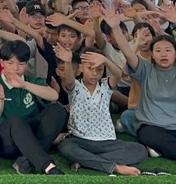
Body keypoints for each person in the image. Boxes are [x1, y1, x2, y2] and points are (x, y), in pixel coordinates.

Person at [105, 6, 176, 166]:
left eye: (168, 50)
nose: (163, 54)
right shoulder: (145, 69)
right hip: (154, 127)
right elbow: (128, 53)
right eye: (158, 50)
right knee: (148, 134)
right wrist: (115, 28)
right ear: (152, 55)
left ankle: (167, 148)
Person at [55, 46, 147, 175]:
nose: (94, 73)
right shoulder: (76, 87)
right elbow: (69, 81)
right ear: (80, 69)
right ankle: (113, 167)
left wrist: (105, 60)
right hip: (80, 140)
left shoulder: (105, 86)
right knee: (65, 146)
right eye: (90, 68)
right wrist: (67, 62)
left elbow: (118, 74)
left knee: (140, 151)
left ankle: (86, 160)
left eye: (99, 69)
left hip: (107, 142)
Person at [0, 40, 67, 175]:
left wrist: (24, 85)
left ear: (27, 64)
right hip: (6, 139)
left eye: (21, 64)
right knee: (16, 121)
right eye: (10, 63)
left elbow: (53, 95)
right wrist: (0, 98)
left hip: (31, 136)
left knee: (57, 110)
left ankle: (26, 160)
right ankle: (47, 166)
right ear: (2, 63)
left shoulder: (31, 81)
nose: (15, 68)